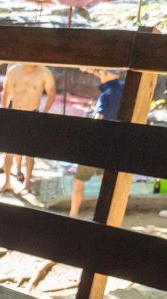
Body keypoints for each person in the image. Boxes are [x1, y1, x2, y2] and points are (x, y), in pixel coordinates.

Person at [69, 69, 125, 217]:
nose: (98, 75)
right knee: (105, 182)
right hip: (113, 145)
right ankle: (109, 214)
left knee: (79, 181)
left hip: (96, 146)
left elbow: (98, 118)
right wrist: (92, 70)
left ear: (105, 75)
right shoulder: (123, 89)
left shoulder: (105, 96)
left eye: (100, 73)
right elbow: (109, 76)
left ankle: (73, 215)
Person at [0, 64, 56, 193]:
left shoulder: (45, 72)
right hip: (14, 113)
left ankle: (27, 182)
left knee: (29, 152)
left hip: (32, 114)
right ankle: (7, 182)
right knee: (8, 151)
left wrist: (44, 112)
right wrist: (4, 113)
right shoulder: (14, 70)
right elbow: (6, 92)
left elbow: (52, 94)